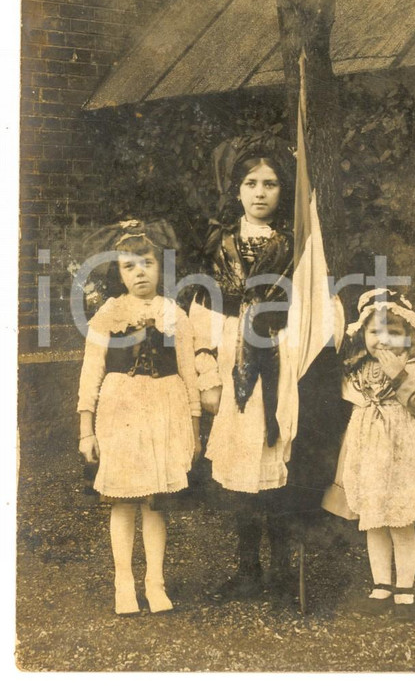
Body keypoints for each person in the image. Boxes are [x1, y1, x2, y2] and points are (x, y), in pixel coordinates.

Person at [189, 133, 299, 601]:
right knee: (240, 468)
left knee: (276, 462)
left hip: (280, 358)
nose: (260, 192)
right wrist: (207, 374)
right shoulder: (221, 243)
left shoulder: (297, 246)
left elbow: (314, 308)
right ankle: (246, 567)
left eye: (270, 183)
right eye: (251, 183)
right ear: (237, 190)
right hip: (235, 359)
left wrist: (294, 346)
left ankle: (281, 570)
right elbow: (204, 315)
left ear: (282, 190)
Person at [77, 219, 201, 616]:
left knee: (155, 503)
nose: (140, 272)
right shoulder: (107, 314)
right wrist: (86, 429)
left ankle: (156, 582)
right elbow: (90, 374)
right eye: (130, 266)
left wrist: (194, 429)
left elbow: (189, 374)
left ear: (160, 266)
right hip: (121, 411)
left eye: (147, 262)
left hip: (165, 410)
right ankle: (123, 583)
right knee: (123, 502)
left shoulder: (173, 314)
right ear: (119, 272)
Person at [322, 288, 415, 620]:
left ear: (409, 337)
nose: (382, 341)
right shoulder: (358, 369)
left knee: (400, 520)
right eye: (374, 332)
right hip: (368, 451)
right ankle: (381, 586)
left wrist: (399, 375)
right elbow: (352, 404)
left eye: (392, 333)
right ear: (362, 335)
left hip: (403, 451)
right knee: (374, 521)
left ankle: (405, 591)